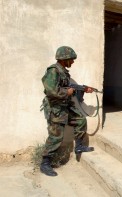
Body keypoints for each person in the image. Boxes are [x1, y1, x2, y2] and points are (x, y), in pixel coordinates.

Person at [40, 46, 95, 176]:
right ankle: (45, 163)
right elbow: (51, 91)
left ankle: (79, 146)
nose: (73, 62)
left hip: (65, 106)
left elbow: (67, 86)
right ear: (64, 59)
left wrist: (82, 89)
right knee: (56, 136)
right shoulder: (53, 71)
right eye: (71, 59)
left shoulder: (63, 71)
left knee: (81, 120)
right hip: (56, 109)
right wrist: (67, 91)